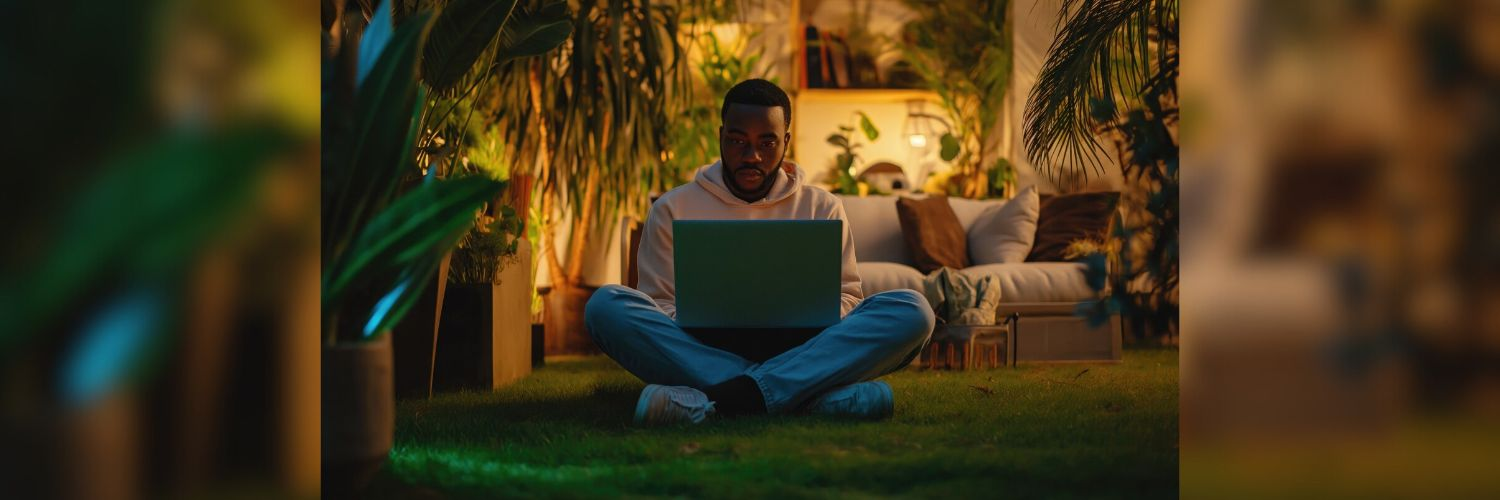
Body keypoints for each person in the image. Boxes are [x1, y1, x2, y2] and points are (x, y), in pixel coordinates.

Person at [584, 79, 935, 425]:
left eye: (766, 143)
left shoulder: (822, 207)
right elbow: (658, 304)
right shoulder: (672, 208)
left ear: (785, 142)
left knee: (912, 311)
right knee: (605, 306)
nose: (751, 156)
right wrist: (704, 321)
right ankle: (807, 396)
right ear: (721, 136)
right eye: (738, 141)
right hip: (705, 349)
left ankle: (722, 399)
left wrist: (804, 320)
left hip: (801, 346)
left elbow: (846, 298)